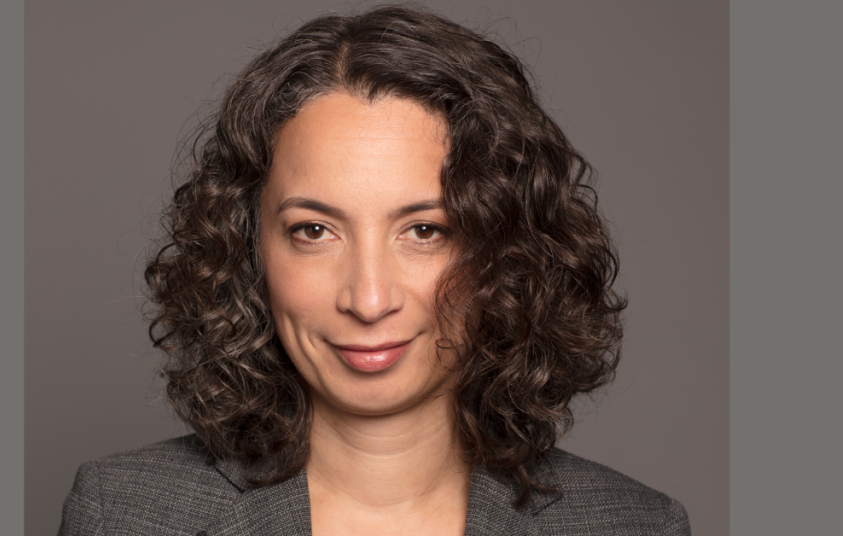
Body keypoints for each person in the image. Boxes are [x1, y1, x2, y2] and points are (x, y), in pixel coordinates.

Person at [58, 5, 691, 535]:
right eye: (314, 231)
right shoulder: (125, 514)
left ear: (506, 252)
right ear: (248, 249)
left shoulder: (633, 526)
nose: (367, 298)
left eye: (425, 231)